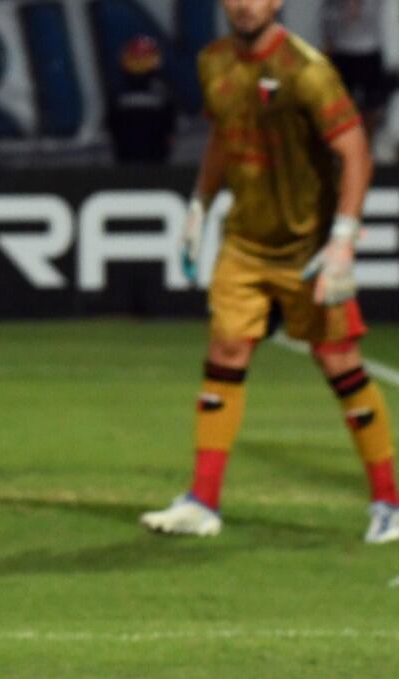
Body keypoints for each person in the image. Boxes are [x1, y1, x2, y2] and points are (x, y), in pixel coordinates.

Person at [142, 0, 397, 543]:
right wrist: (199, 205)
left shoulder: (307, 70)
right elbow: (223, 135)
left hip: (308, 248)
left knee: (340, 363)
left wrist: (343, 241)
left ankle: (390, 502)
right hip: (246, 243)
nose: (243, 4)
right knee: (225, 354)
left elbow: (354, 152)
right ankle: (202, 503)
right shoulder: (213, 62)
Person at [322, 0, 393, 145]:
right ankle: (345, 148)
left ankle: (366, 147)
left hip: (369, 50)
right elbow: (326, 20)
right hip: (342, 51)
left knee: (371, 106)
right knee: (341, 107)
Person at [107, 36, 177, 164]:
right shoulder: (119, 89)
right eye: (136, 60)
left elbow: (169, 126)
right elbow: (112, 123)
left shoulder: (162, 90)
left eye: (144, 60)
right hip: (127, 158)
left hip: (155, 159)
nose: (139, 64)